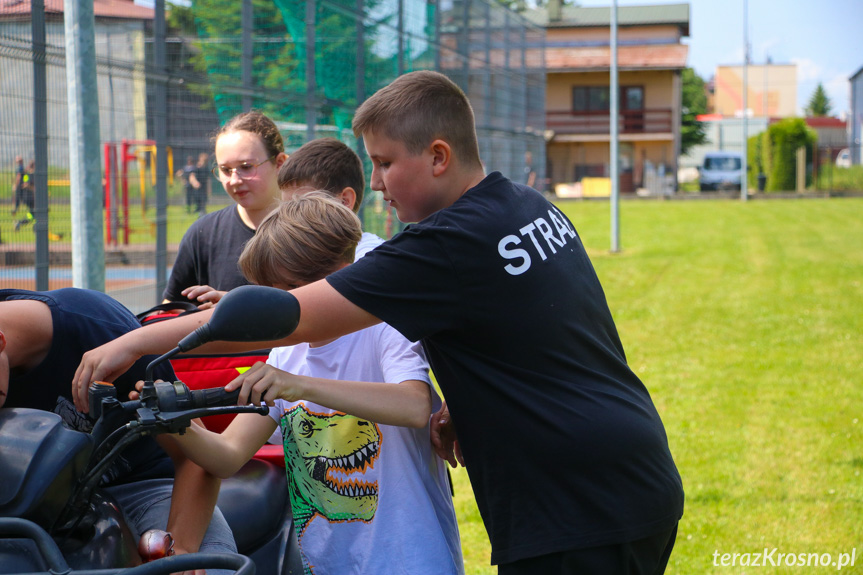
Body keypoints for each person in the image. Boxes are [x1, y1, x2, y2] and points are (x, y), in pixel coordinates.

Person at [73, 70, 684, 574]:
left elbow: (290, 320)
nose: (379, 186)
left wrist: (127, 341)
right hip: (628, 471)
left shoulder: (440, 246)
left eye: (387, 163)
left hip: (571, 508)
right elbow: (545, 340)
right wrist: (462, 409)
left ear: (438, 157)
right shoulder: (525, 207)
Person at [159, 194, 464, 574]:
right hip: (327, 564)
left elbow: (415, 406)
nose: (273, 306)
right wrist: (174, 422)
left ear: (334, 278)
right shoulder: (288, 353)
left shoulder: (383, 327)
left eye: (284, 292)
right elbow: (227, 455)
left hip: (409, 560)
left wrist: (300, 386)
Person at [0, 288, 237, 574]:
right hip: (34, 507)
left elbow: (196, 455)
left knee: (207, 568)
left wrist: (181, 548)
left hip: (147, 486)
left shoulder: (101, 330)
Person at [187, 137, 386, 309]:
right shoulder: (310, 256)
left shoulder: (370, 261)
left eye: (302, 205)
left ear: (344, 201)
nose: (289, 217)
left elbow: (305, 308)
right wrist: (234, 301)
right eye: (286, 207)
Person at [162, 111, 287, 308]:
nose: (235, 180)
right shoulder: (203, 234)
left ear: (279, 163)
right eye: (225, 170)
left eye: (246, 167)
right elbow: (171, 309)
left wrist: (235, 311)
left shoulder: (310, 231)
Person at [14, 159, 35, 231]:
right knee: (37, 213)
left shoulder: (27, 175)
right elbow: (26, 185)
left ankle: (20, 223)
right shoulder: (32, 175)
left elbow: (24, 184)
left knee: (33, 214)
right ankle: (36, 228)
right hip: (30, 198)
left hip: (26, 197)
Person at [191, 152, 211, 217]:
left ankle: (202, 212)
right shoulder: (197, 167)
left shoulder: (206, 168)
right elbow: (192, 176)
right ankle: (199, 210)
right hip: (198, 187)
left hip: (204, 186)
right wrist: (195, 182)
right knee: (198, 199)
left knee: (203, 199)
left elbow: (208, 179)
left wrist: (209, 188)